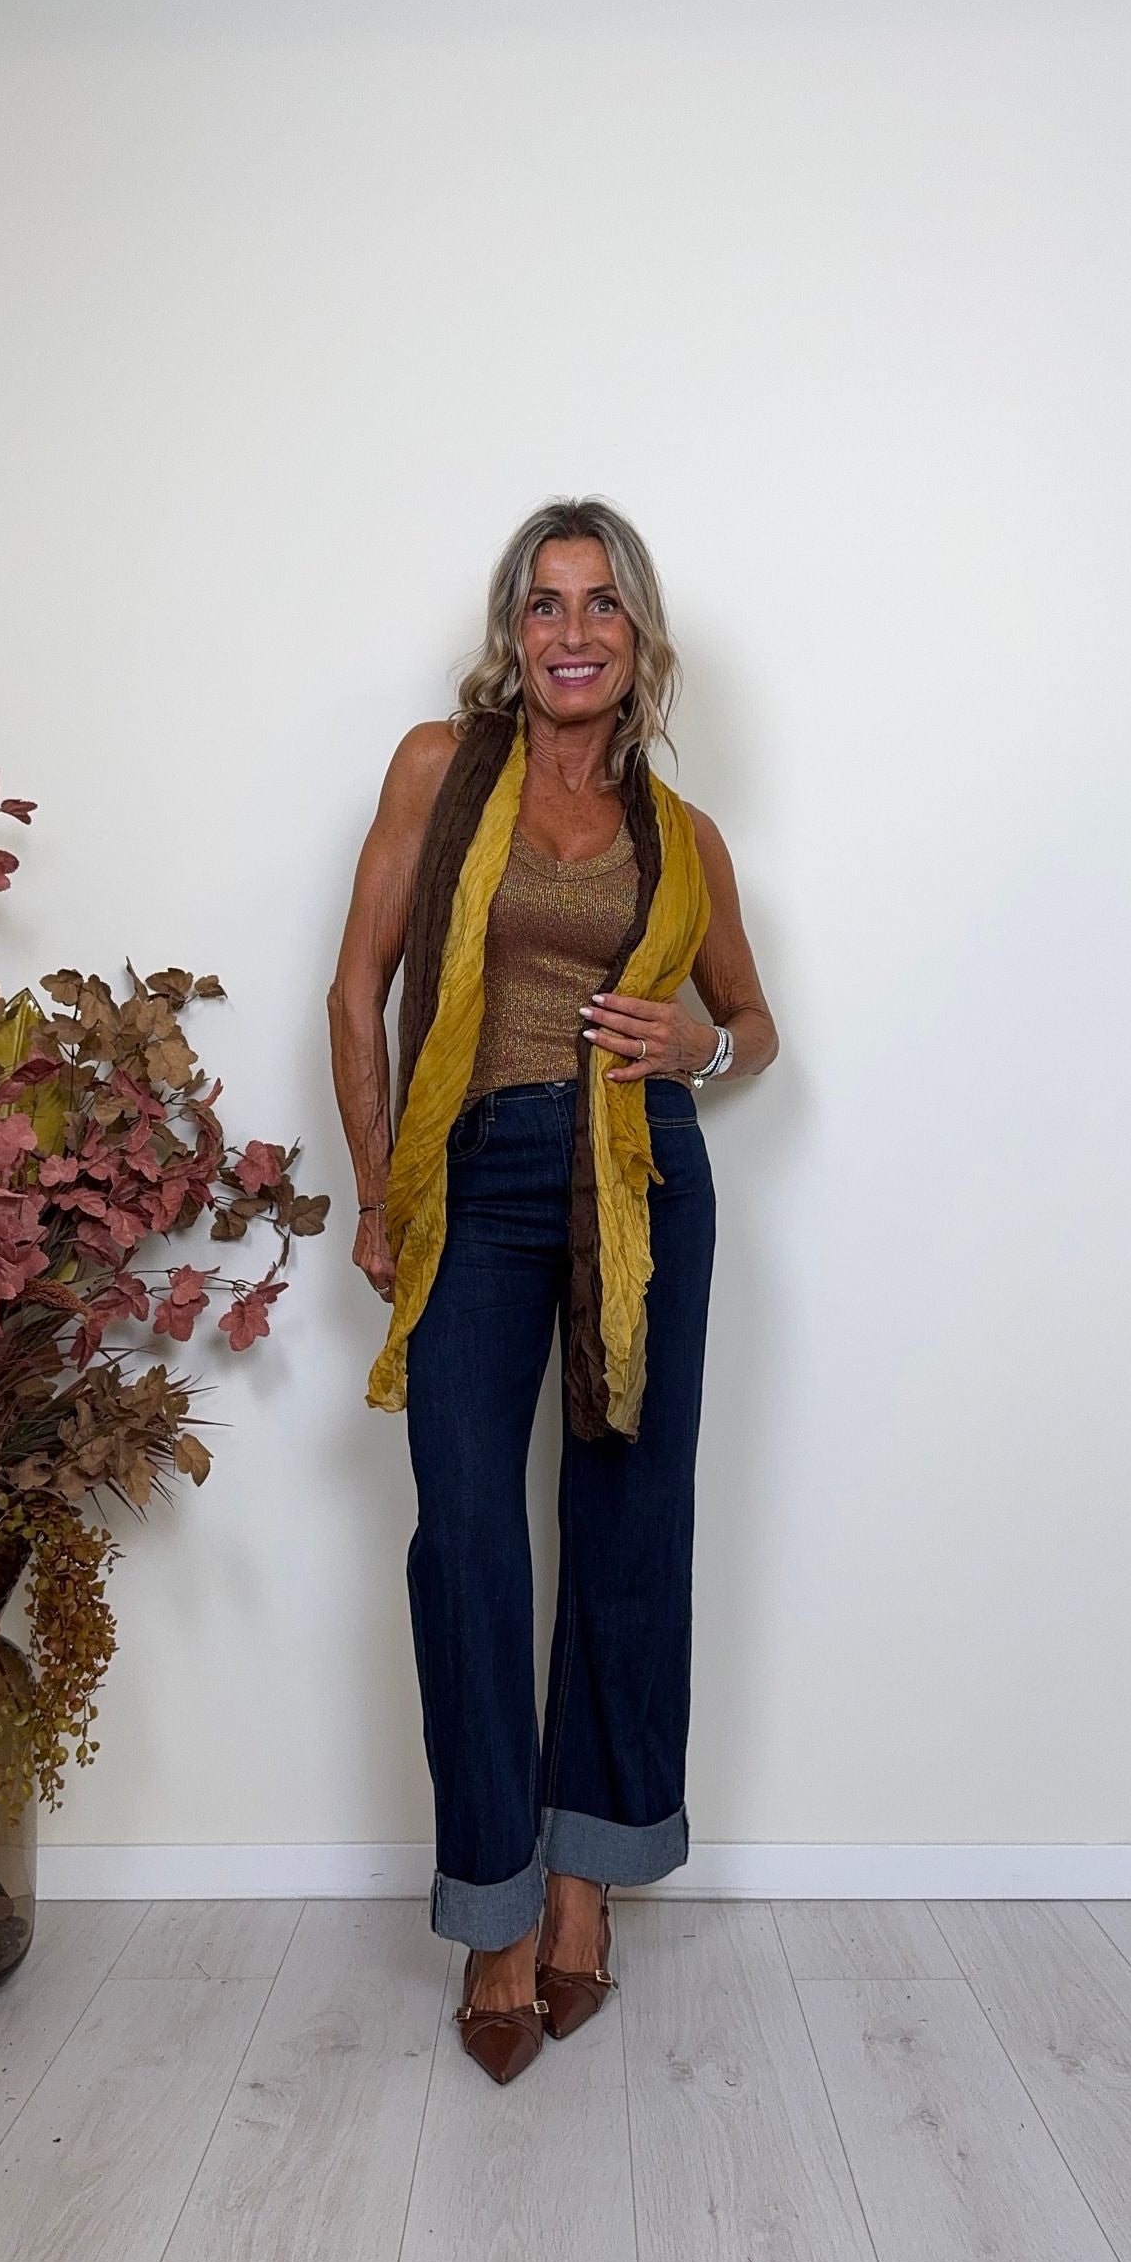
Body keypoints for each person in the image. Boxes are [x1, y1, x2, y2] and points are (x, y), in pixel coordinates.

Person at [327, 497, 778, 2083]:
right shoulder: (439, 770)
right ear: (510, 631)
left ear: (638, 636)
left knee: (628, 1529)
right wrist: (377, 1192)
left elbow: (756, 1025)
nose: (572, 632)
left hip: (641, 1186)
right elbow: (359, 986)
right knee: (465, 1537)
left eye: (601, 604)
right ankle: (494, 1907)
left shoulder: (685, 836)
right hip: (474, 1181)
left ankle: (585, 1883)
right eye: (544, 602)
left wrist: (701, 1048)